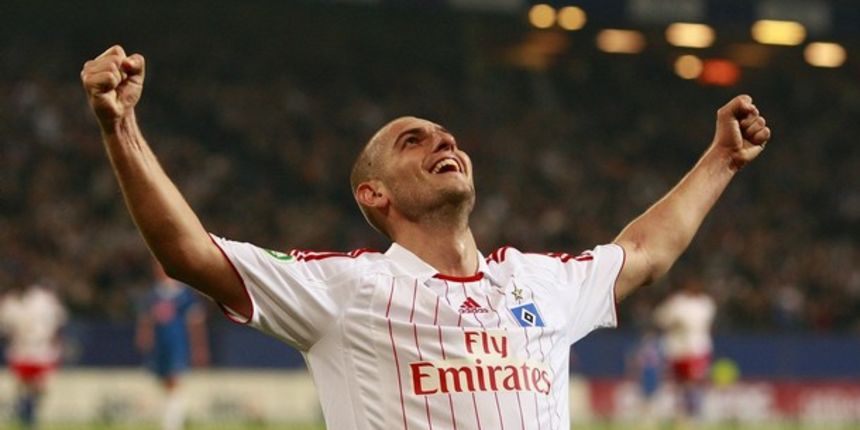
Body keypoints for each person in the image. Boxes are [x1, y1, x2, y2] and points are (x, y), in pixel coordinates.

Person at [80, 45, 771, 429]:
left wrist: (722, 160)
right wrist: (120, 127)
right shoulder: (345, 290)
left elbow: (644, 253)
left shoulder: (537, 281)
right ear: (373, 194)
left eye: (447, 137)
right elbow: (189, 254)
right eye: (413, 141)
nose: (444, 141)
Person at [136, 261, 209, 430]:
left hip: (178, 343)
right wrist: (144, 337)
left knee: (175, 379)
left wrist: (199, 347)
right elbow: (146, 319)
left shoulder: (185, 295)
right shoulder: (153, 294)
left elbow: (195, 322)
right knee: (165, 382)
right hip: (160, 345)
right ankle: (174, 417)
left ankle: (172, 424)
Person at [0, 282, 66, 429]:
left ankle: (30, 410)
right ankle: (26, 410)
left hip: (40, 348)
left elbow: (59, 322)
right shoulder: (10, 303)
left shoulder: (43, 299)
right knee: (25, 384)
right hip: (23, 349)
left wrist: (56, 340)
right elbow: (5, 329)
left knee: (38, 384)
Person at [654, 279, 717, 427]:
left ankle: (694, 414)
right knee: (679, 384)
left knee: (694, 382)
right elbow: (660, 319)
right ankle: (681, 414)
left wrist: (683, 323)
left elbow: (701, 323)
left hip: (697, 349)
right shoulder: (677, 302)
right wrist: (673, 322)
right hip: (677, 349)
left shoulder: (705, 303)